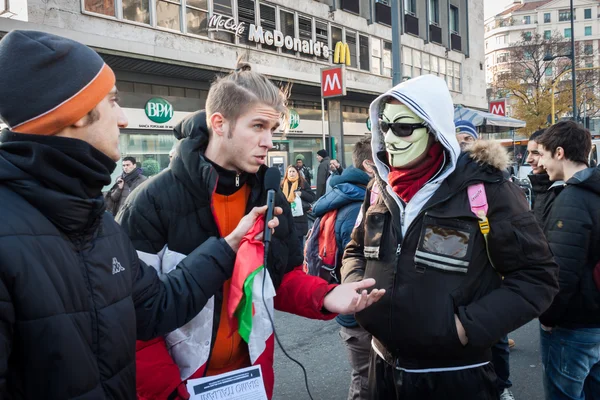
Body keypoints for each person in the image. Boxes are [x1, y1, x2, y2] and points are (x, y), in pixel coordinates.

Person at [0, 30, 285, 399]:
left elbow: (155, 308)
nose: (121, 118)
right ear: (73, 114)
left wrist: (229, 246)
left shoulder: (96, 222)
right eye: (113, 101)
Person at [116, 62, 385, 400]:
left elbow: (278, 278)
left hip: (252, 381)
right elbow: (130, 317)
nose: (269, 142)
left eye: (272, 128)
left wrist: (328, 295)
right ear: (219, 123)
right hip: (178, 387)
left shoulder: (268, 197)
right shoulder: (150, 201)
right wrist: (169, 392)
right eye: (258, 126)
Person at [342, 75, 559, 399]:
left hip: (455, 379)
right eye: (384, 126)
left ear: (433, 128)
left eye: (402, 127)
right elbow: (355, 249)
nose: (389, 137)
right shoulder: (379, 188)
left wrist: (466, 327)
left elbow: (537, 278)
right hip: (381, 373)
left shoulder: (487, 189)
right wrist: (355, 285)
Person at [536, 121, 600, 400]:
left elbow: (561, 270)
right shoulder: (594, 191)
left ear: (559, 152)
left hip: (574, 325)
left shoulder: (572, 198)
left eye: (543, 154)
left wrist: (548, 316)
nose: (540, 163)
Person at [456, 121, 516, 400]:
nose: (463, 144)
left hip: (489, 267)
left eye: (468, 138)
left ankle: (502, 385)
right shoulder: (443, 176)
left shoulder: (493, 178)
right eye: (458, 138)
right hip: (457, 271)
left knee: (497, 337)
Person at [312, 136, 374, 400]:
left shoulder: (344, 195)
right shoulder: (356, 209)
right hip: (359, 313)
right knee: (366, 383)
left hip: (353, 309)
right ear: (370, 167)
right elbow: (360, 262)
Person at [526, 129, 564, 229]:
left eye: (536, 153)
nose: (528, 159)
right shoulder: (540, 186)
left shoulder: (559, 190)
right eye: (528, 153)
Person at [281, 165, 315, 243]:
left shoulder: (302, 183)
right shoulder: (283, 184)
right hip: (286, 217)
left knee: (298, 244)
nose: (291, 173)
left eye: (293, 171)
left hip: (299, 218)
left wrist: (302, 193)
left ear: (297, 173)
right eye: (290, 171)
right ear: (287, 173)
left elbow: (312, 197)